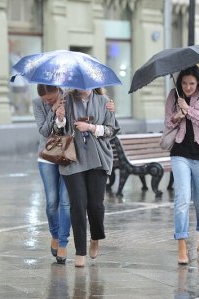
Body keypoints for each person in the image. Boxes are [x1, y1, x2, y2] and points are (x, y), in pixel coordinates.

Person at [54, 87, 119, 267]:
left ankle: (95, 237)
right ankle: (80, 251)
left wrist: (90, 127)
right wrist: (60, 118)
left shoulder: (104, 101)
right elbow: (58, 132)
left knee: (96, 205)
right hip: (72, 159)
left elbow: (111, 131)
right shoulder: (65, 100)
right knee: (78, 205)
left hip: (98, 158)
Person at [163, 65, 199, 265]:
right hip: (180, 152)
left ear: (198, 82)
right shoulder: (174, 95)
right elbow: (168, 124)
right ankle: (181, 244)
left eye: (192, 83)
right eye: (184, 83)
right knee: (182, 198)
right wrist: (177, 116)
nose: (187, 87)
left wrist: (188, 110)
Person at [33, 84, 72, 264]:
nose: (48, 102)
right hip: (47, 156)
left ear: (57, 91)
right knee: (51, 202)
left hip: (67, 155)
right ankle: (55, 235)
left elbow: (72, 129)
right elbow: (43, 131)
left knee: (65, 202)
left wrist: (63, 116)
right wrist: (52, 111)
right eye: (45, 101)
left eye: (50, 99)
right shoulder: (37, 103)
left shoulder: (70, 98)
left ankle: (63, 243)